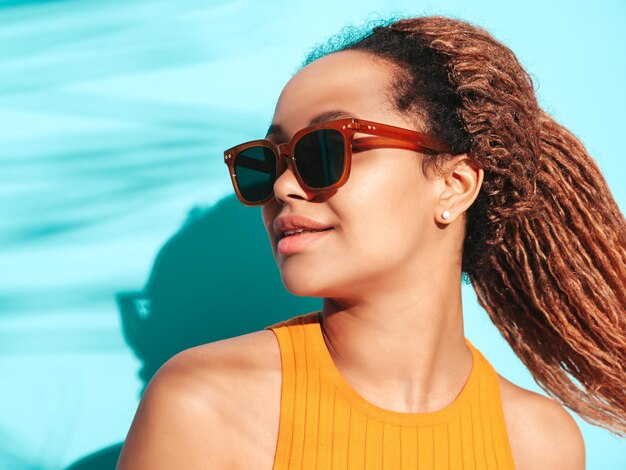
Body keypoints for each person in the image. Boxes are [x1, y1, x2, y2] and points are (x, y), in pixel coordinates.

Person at [116, 15, 626, 469]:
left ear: (455, 184)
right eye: (265, 162)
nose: (282, 186)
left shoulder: (540, 445)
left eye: (324, 148)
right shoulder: (204, 406)